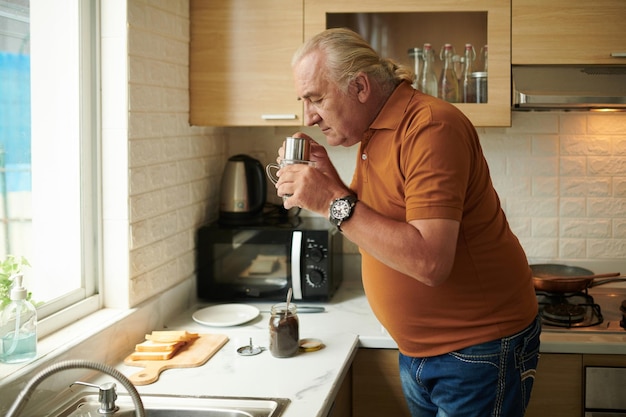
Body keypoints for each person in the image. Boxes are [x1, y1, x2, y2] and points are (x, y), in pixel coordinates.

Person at [271, 28, 540, 417]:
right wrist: (330, 185)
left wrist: (331, 201)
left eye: (316, 99)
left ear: (360, 86)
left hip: (476, 350)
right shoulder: (374, 130)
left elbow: (429, 262)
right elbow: (381, 227)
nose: (308, 117)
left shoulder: (430, 127)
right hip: (423, 349)